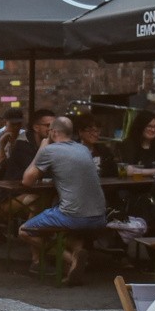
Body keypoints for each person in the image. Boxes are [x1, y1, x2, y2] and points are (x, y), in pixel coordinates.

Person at [19, 116, 107, 284]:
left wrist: (42, 148)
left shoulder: (50, 150)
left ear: (53, 132)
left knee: (24, 231)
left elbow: (27, 181)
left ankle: (70, 259)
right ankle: (77, 252)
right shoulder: (83, 150)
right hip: (99, 216)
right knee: (62, 228)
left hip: (72, 216)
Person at [73, 114, 119, 178]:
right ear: (80, 132)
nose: (95, 134)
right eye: (90, 131)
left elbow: (113, 172)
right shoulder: (72, 150)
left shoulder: (104, 151)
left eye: (97, 130)